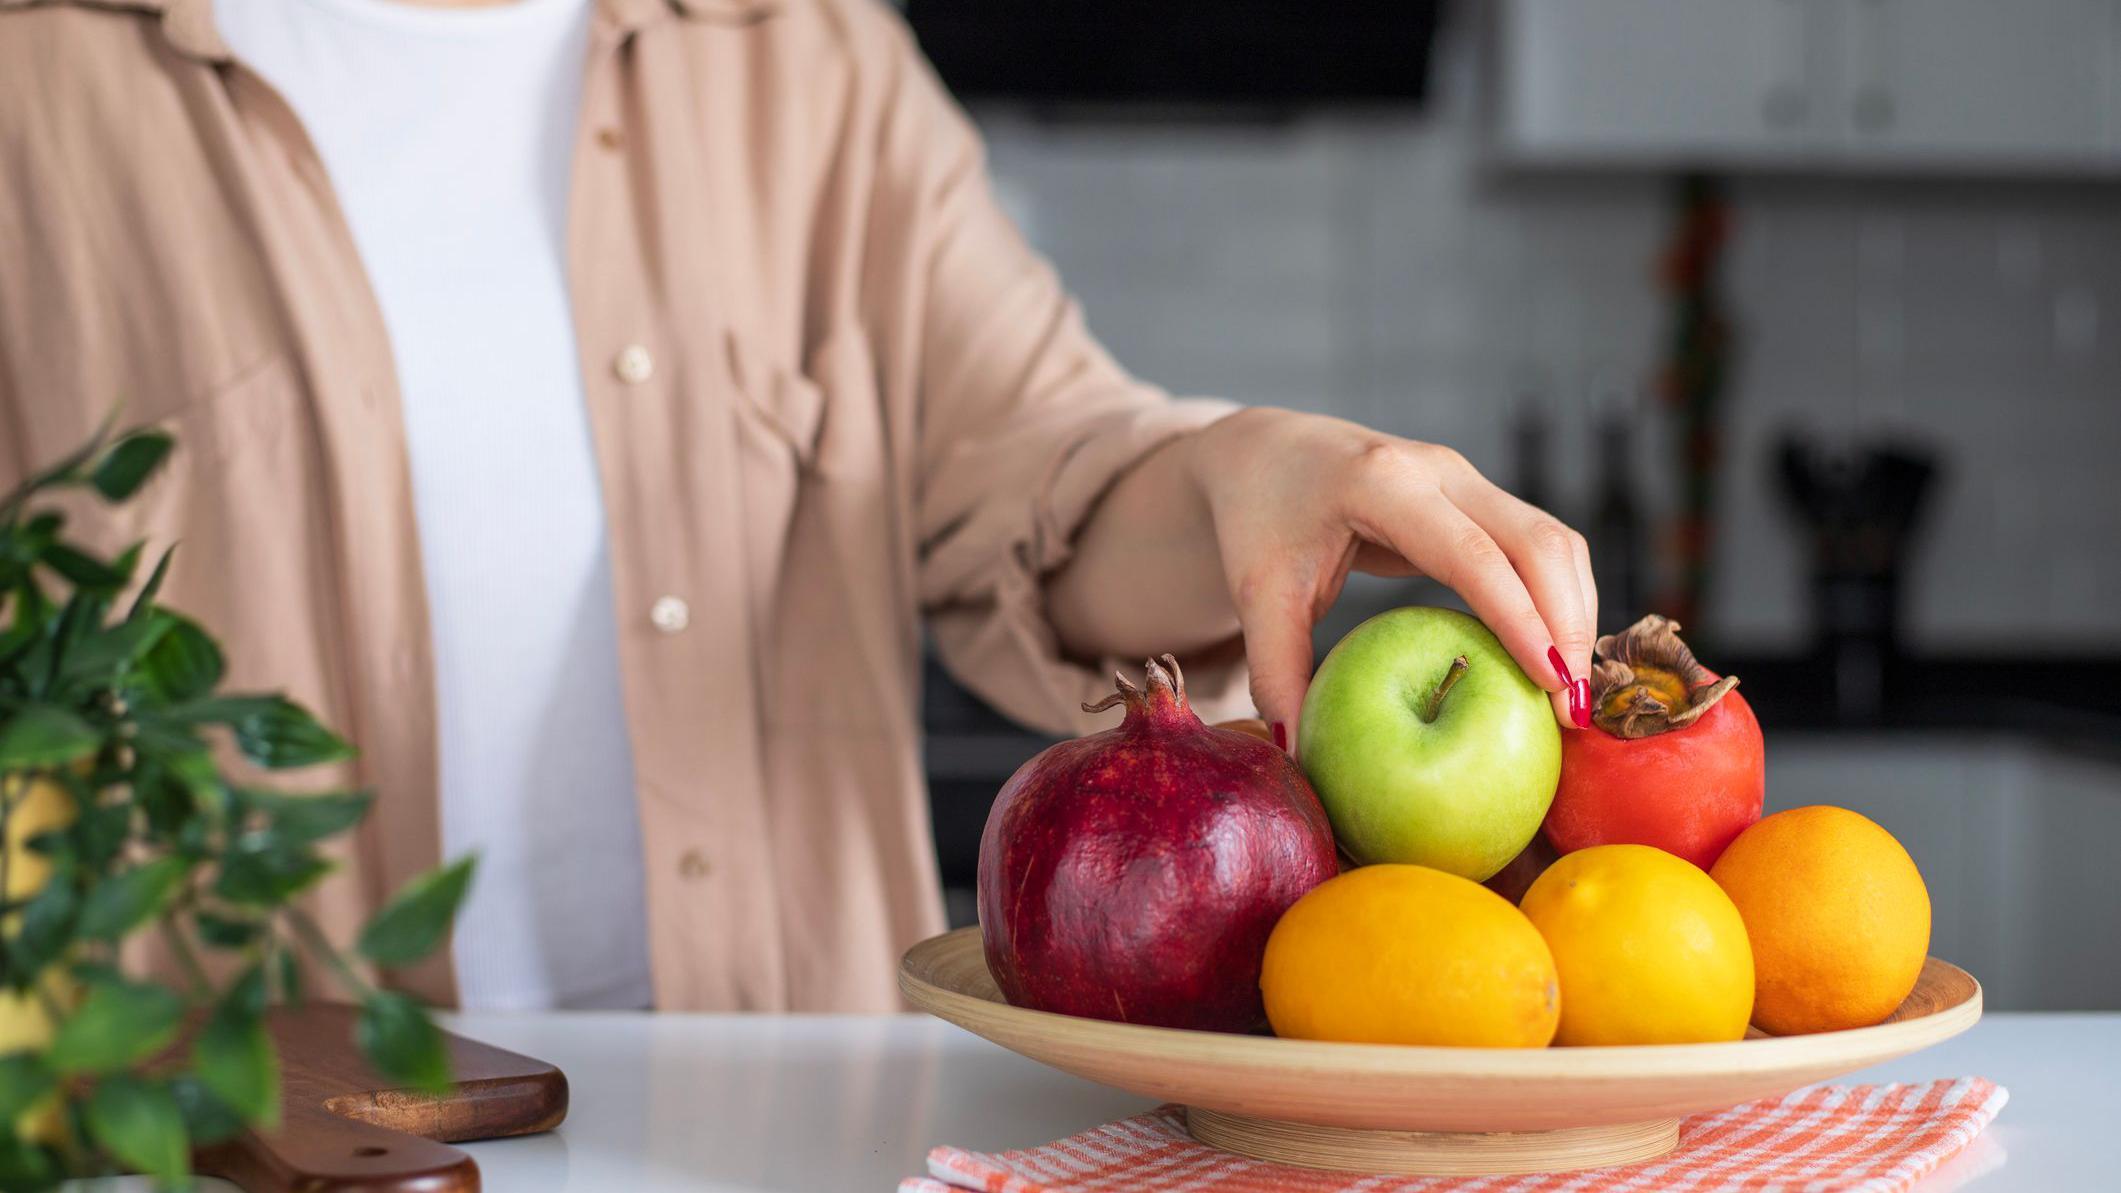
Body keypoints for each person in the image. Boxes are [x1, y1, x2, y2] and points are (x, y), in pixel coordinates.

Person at [0, 0, 1597, 1012]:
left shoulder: (808, 56)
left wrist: (1246, 470)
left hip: (775, 1131)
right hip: (207, 1134)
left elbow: (1045, 469)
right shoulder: (42, 77)